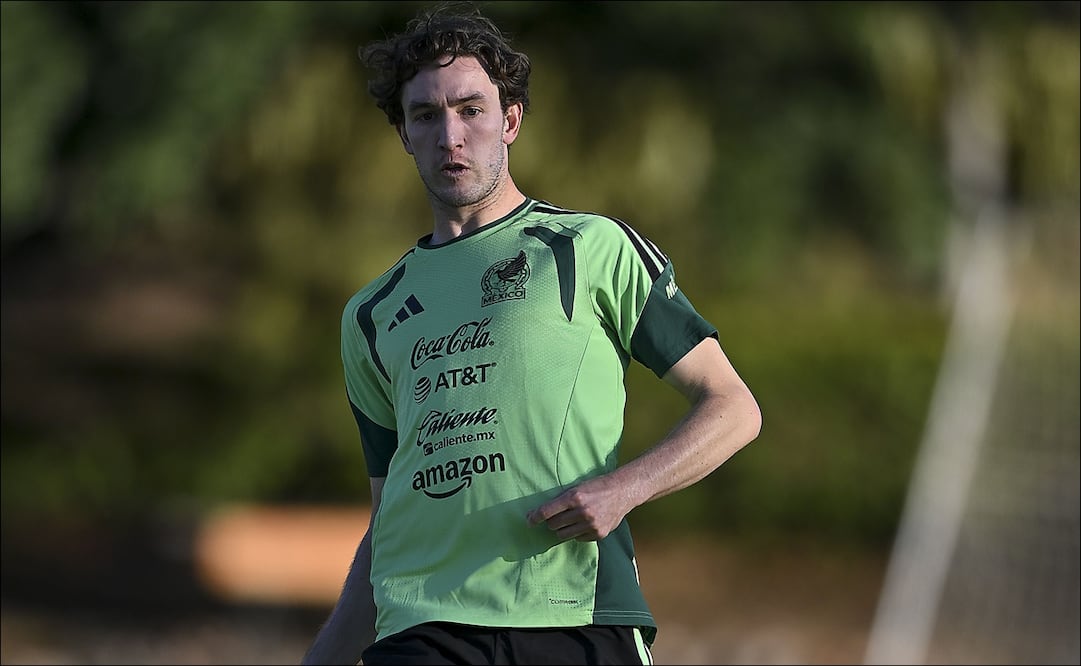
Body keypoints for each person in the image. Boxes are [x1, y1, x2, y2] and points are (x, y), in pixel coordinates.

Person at [302, 3, 762, 664]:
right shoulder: (371, 315)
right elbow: (388, 517)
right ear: (403, 133)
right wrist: (324, 656)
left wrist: (625, 489)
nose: (450, 136)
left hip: (576, 615)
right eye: (425, 116)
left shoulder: (589, 248)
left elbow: (733, 408)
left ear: (509, 120)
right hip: (423, 625)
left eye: (470, 110)